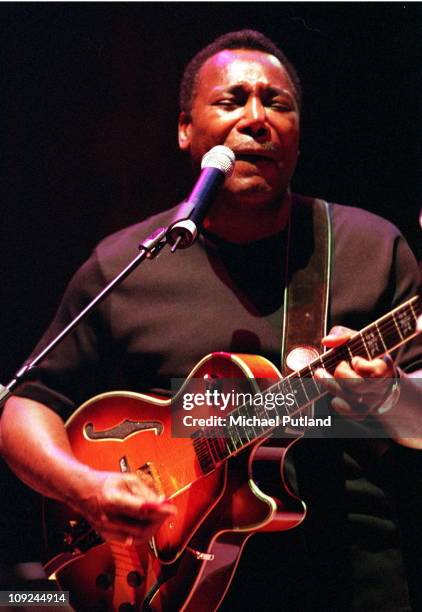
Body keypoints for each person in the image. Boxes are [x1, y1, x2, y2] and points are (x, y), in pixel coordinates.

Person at [1, 30, 421, 611]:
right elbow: (25, 404)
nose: (257, 118)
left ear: (299, 137)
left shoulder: (368, 248)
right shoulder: (127, 263)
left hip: (351, 585)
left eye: (278, 103)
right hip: (170, 588)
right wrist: (89, 488)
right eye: (232, 101)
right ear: (184, 130)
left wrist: (387, 395)